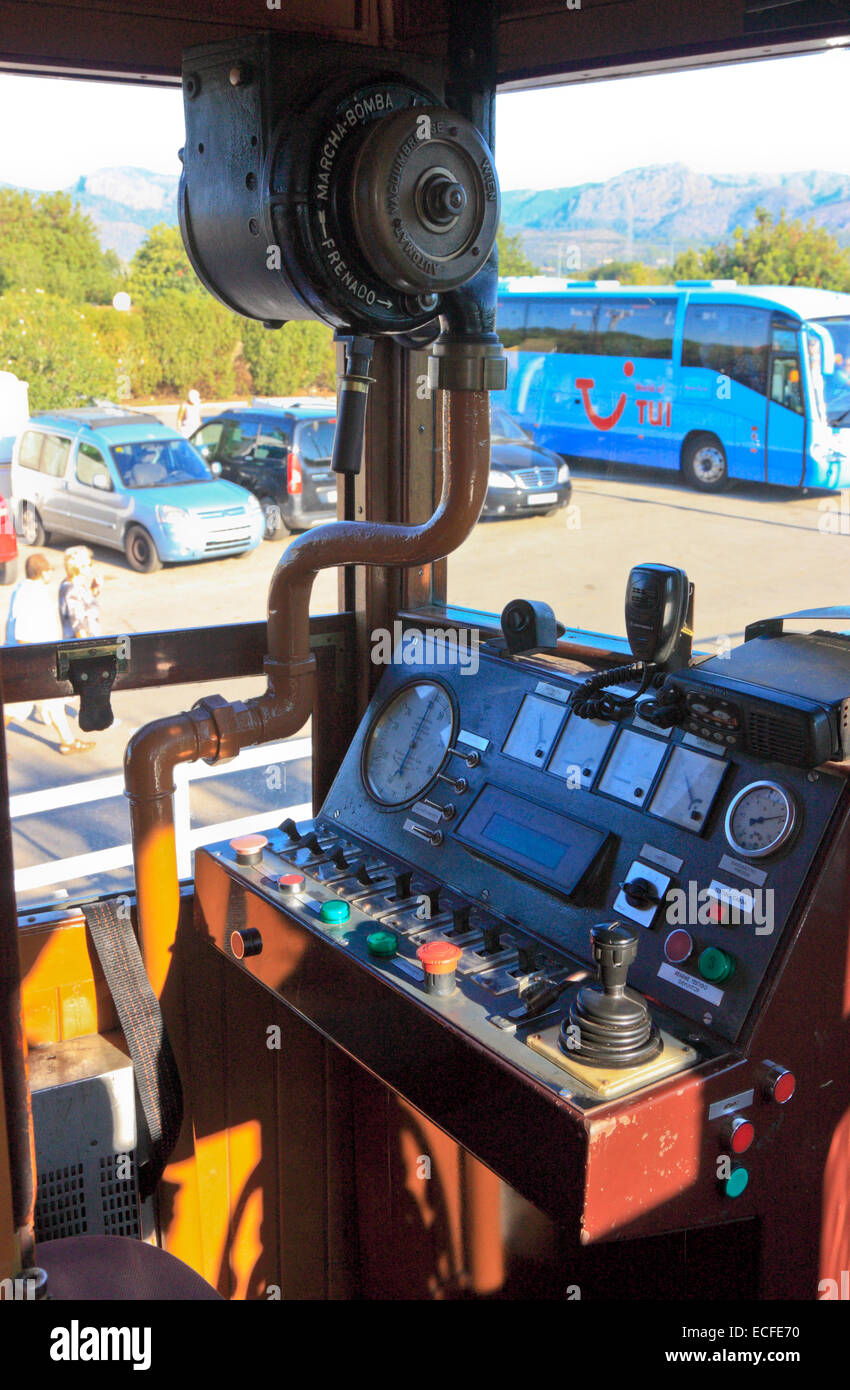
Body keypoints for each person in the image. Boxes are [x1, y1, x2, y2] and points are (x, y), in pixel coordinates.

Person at [4, 553, 94, 755]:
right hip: (31, 662)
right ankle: (67, 742)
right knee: (15, 708)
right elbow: (22, 634)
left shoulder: (24, 589)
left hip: (35, 659)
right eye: (50, 570)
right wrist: (34, 664)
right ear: (44, 572)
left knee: (54, 702)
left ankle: (67, 742)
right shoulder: (31, 595)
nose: (52, 573)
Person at [59, 546, 101, 639]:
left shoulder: (77, 583)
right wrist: (89, 649)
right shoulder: (71, 590)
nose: (91, 567)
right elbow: (78, 625)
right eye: (89, 564)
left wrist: (93, 589)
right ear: (78, 566)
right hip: (84, 644)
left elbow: (84, 604)